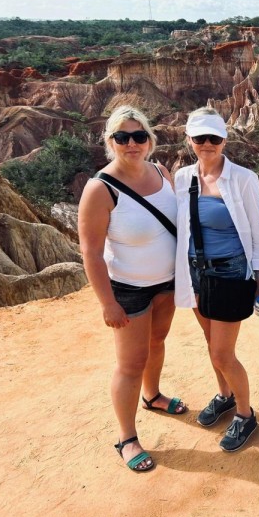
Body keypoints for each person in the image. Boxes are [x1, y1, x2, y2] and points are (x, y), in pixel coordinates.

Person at [78, 105, 186, 473]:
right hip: (130, 289)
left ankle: (152, 395)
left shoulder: (161, 172)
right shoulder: (100, 189)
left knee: (157, 343)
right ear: (110, 142)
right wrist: (107, 303)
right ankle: (126, 438)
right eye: (122, 137)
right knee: (129, 364)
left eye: (139, 136)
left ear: (150, 140)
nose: (132, 144)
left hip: (167, 284)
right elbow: (90, 251)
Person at [173, 107, 259, 452]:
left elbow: (257, 232)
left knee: (222, 353)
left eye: (214, 138)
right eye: (200, 138)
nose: (207, 144)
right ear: (190, 140)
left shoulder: (242, 178)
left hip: (230, 272)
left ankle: (245, 414)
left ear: (225, 140)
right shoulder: (183, 177)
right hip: (196, 272)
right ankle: (225, 396)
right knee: (210, 343)